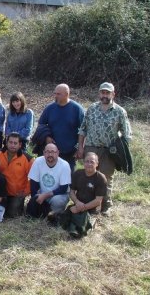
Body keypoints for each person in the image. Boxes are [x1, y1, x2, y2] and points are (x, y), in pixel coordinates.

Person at [76, 82, 132, 216]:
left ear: (113, 94)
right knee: (89, 175)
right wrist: (80, 147)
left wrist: (120, 151)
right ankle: (90, 203)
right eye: (102, 92)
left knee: (106, 178)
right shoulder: (92, 109)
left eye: (107, 93)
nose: (105, 95)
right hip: (91, 148)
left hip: (109, 151)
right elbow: (83, 129)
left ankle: (106, 206)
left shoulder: (119, 111)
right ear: (99, 93)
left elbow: (127, 135)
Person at [38, 83, 84, 170]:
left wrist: (80, 148)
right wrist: (47, 137)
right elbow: (41, 125)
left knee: (68, 178)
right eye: (55, 93)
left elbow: (83, 130)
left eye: (58, 94)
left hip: (70, 152)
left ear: (67, 94)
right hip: (52, 152)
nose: (55, 96)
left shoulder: (77, 109)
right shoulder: (49, 108)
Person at [61, 152, 107, 238]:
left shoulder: (101, 178)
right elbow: (71, 192)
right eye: (87, 161)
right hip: (78, 204)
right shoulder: (78, 173)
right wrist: (77, 203)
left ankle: (86, 225)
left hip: (91, 210)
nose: (89, 164)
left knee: (80, 230)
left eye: (92, 162)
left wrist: (82, 208)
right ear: (83, 162)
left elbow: (98, 201)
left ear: (97, 164)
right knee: (62, 221)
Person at [26, 143, 71, 220]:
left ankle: (53, 215)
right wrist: (36, 197)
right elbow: (33, 183)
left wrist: (45, 195)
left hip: (58, 195)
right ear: (44, 153)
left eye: (53, 152)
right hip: (42, 194)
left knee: (58, 201)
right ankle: (44, 212)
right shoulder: (38, 161)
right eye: (47, 152)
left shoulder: (64, 165)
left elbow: (63, 188)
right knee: (32, 211)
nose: (50, 154)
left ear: (57, 153)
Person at [0, 132, 34, 218]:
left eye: (15, 143)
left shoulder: (27, 159)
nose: (12, 145)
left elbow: (34, 178)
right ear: (6, 143)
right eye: (10, 142)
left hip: (16, 194)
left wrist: (25, 192)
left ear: (20, 145)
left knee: (12, 215)